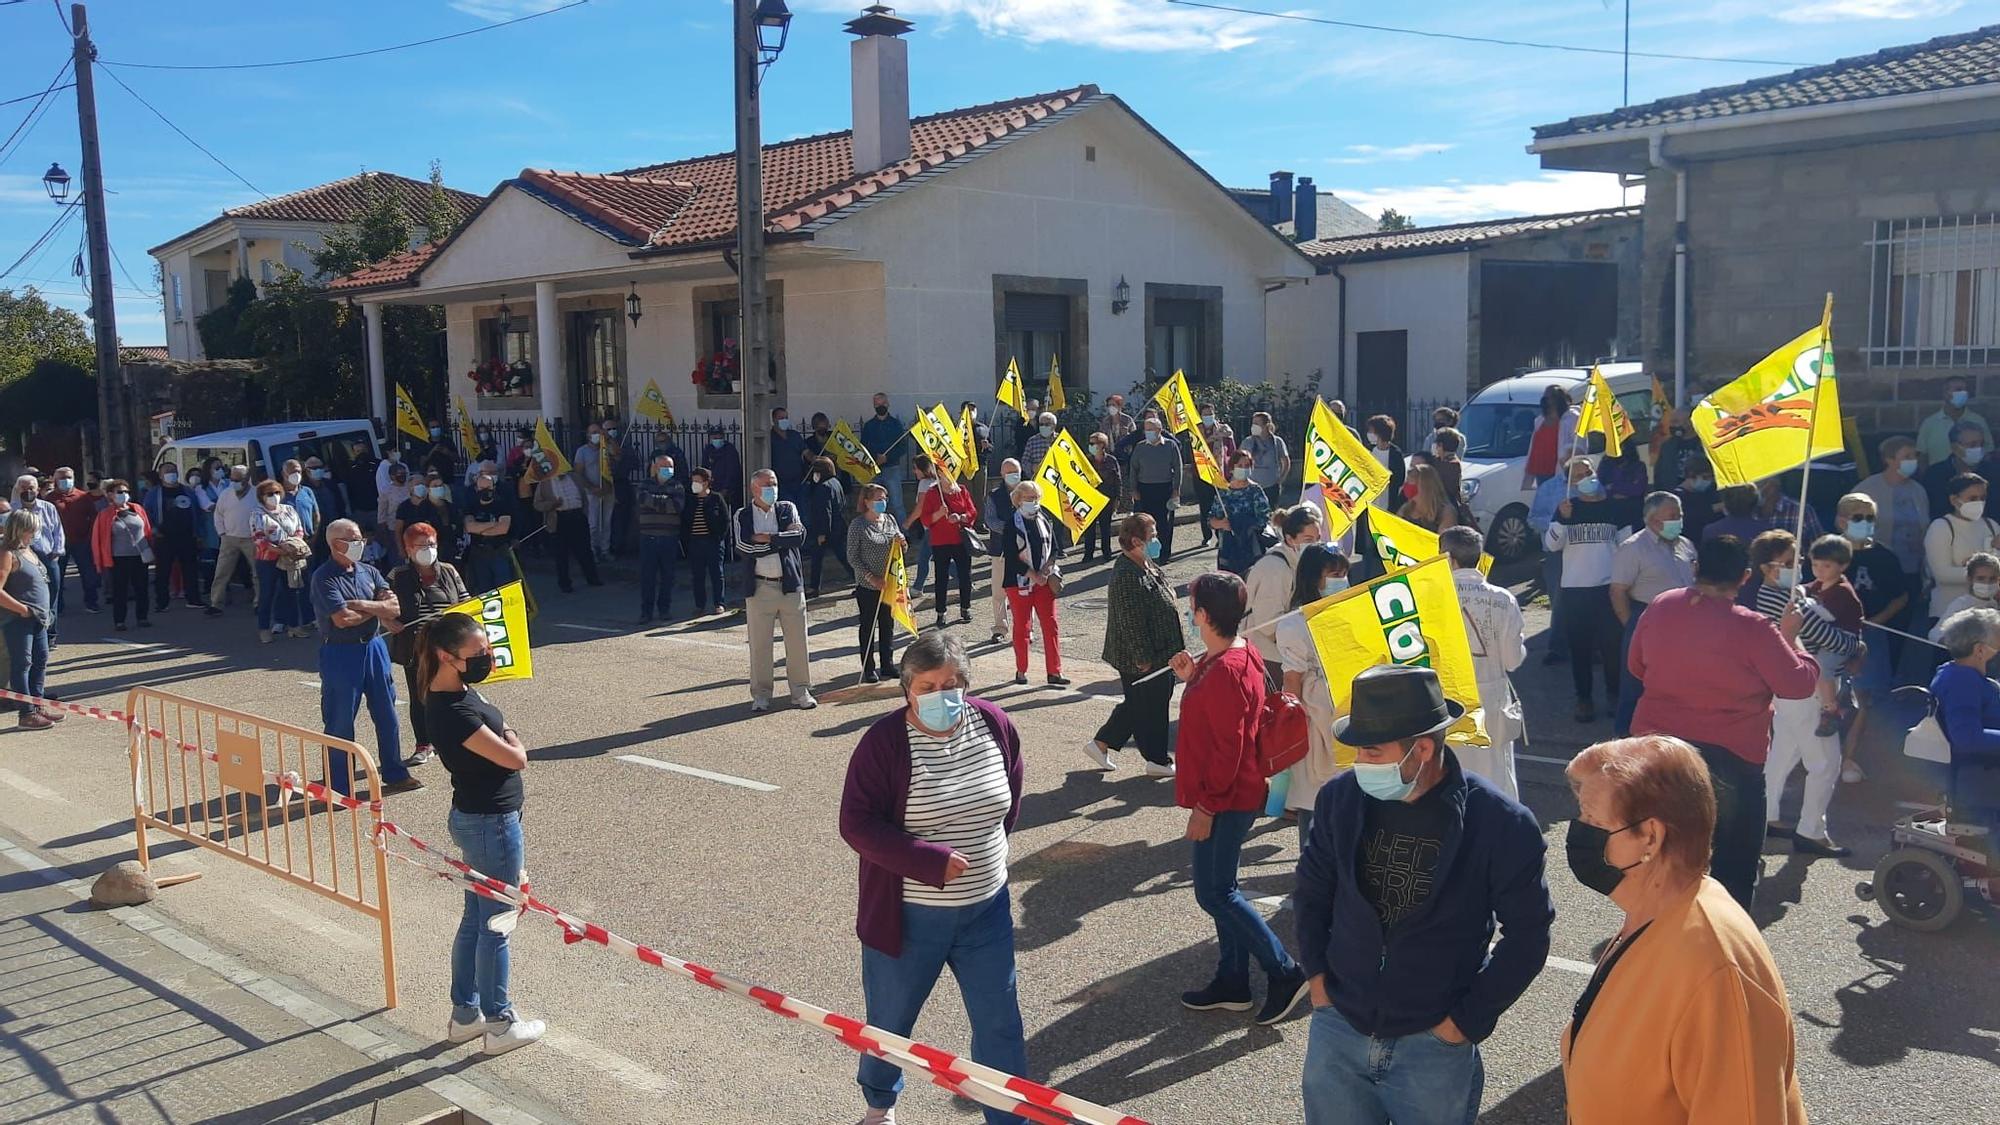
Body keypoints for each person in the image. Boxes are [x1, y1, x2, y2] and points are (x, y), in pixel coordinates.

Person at [1297, 664, 1553, 1124]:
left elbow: (1529, 935)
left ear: (1423, 749)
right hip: (1339, 1028)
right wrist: (1318, 982)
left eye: (1373, 753)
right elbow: (1313, 892)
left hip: (1433, 1049)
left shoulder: (1501, 824)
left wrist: (1462, 1025)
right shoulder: (1340, 799)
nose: (1361, 765)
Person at [1559, 735, 1807, 1125]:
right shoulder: (1654, 913)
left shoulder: (1715, 969)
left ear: (1651, 838)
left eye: (1592, 820)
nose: (1578, 832)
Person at [838, 632, 1028, 1125]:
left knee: (1000, 1026)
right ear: (907, 688)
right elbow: (856, 823)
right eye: (928, 685)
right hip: (908, 919)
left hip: (987, 911)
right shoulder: (883, 743)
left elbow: (1010, 794)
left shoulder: (993, 724)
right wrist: (928, 860)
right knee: (890, 1022)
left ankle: (1008, 1120)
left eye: (952, 683)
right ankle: (880, 1104)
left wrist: (987, 855)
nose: (942, 694)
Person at [1628, 535, 1817, 908]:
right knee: (1733, 864)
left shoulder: (1662, 605)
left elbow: (1637, 665)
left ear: (1696, 568)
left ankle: (1653, 934)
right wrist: (1792, 638)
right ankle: (1720, 945)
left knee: (1660, 853)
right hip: (1730, 757)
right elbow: (1797, 684)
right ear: (1745, 577)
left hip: (1658, 748)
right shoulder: (1755, 628)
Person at [1169, 571, 1311, 1025]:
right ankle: (1233, 979)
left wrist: (1206, 806)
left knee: (1215, 893)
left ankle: (1285, 971)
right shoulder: (1237, 652)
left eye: (1193, 606)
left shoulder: (1227, 669)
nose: (1191, 613)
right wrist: (1192, 676)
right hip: (1232, 793)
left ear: (1204, 615)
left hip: (1227, 797)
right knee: (1220, 889)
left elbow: (1229, 748)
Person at [414, 611, 546, 1055]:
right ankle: (500, 1021)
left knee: (476, 918)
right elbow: (515, 758)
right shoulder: (453, 711)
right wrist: (511, 734)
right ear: (446, 657)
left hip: (479, 818)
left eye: (486, 649)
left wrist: (504, 730)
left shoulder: (457, 693)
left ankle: (465, 1015)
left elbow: (502, 739)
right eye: (477, 653)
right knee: (497, 924)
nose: (486, 657)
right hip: (491, 823)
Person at [313, 519, 419, 798]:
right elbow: (343, 619)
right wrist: (378, 609)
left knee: (387, 713)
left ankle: (395, 773)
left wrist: (363, 605)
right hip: (340, 652)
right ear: (336, 544)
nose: (361, 543)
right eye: (354, 539)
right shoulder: (324, 577)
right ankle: (339, 787)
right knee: (340, 720)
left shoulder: (369, 572)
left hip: (374, 647)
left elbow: (394, 606)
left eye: (360, 538)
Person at [1087, 513, 1183, 776]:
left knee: (1140, 702)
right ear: (1135, 541)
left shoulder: (1145, 563)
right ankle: (1156, 760)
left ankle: (1101, 743)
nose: (1157, 540)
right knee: (1150, 707)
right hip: (1141, 656)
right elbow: (1131, 621)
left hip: (1162, 650)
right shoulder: (1126, 575)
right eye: (1152, 536)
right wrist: (1143, 657)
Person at [1548, 457, 1638, 722]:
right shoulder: (1566, 508)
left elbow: (1627, 546)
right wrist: (1562, 520)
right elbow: (1552, 545)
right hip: (1575, 590)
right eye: (1579, 476)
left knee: (1612, 647)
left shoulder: (1615, 508)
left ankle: (1613, 694)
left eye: (1588, 471)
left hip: (1608, 589)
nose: (1586, 478)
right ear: (1571, 484)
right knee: (1580, 648)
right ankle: (1584, 698)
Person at [1443, 526, 1527, 800]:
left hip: (1448, 700)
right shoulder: (1503, 599)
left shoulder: (1433, 598)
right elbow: (1513, 661)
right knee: (1496, 774)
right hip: (1491, 699)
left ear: (1447, 558)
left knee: (1452, 773)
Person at [1272, 545, 1350, 839]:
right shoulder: (1294, 623)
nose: (1341, 579)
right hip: (1312, 717)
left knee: (1347, 798)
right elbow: (1292, 681)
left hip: (1348, 710)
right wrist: (1288, 726)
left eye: (1344, 573)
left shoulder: (1349, 611)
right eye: (1333, 574)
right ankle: (1314, 873)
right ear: (1312, 577)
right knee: (1313, 802)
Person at [1834, 493, 1909, 783]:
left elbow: (1900, 597)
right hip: (1832, 636)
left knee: (1864, 698)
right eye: (1857, 517)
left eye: (1869, 517)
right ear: (1841, 519)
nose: (1864, 522)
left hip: (1872, 637)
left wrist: (1876, 622)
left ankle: (1850, 756)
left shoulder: (1884, 556)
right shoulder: (1829, 552)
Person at [1609, 492, 1695, 736]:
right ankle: (1623, 739)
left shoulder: (1686, 545)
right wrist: (1632, 626)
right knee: (1635, 684)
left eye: (1680, 515)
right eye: (1673, 516)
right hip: (1646, 617)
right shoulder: (1633, 548)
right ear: (1653, 519)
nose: (1679, 520)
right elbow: (1617, 591)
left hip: (1683, 621)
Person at [1929, 607, 2000, 900]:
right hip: (1980, 778)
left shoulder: (1960, 673)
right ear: (1981, 649)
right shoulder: (1961, 680)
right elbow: (1966, 737)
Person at [388, 522, 469, 769]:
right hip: (415, 648)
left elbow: (466, 601)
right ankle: (424, 744)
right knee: (420, 696)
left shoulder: (449, 571)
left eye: (431, 544)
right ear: (408, 549)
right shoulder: (397, 576)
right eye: (421, 545)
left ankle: (457, 739)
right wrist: (389, 622)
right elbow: (384, 605)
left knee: (455, 692)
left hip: (449, 646)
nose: (428, 549)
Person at [736, 468, 816, 712]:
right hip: (760, 586)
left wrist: (768, 538)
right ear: (753, 489)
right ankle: (761, 694)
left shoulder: (786, 508)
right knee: (760, 645)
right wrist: (780, 541)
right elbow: (743, 547)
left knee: (798, 643)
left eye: (775, 483)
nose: (772, 489)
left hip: (790, 585)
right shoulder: (743, 514)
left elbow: (798, 536)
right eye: (767, 485)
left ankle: (800, 691)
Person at [1000, 480, 1066, 687]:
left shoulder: (1044, 519)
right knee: (1023, 626)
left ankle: (1054, 672)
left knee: (1051, 625)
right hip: (1018, 582)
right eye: (1029, 498)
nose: (1034, 502)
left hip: (1044, 581)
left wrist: (1045, 572)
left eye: (1036, 498)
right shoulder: (1012, 524)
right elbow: (1010, 557)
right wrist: (1031, 574)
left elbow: (1054, 549)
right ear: (1019, 499)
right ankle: (1021, 670)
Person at [1921, 472, 2000, 637]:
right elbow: (1942, 575)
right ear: (1954, 500)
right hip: (1948, 616)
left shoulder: (1991, 525)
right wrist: (1981, 570)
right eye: (1972, 498)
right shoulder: (1941, 527)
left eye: (1982, 497)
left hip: (1988, 617)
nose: (1978, 502)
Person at [1244, 504, 1323, 670]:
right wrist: (1296, 646)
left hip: (1284, 653)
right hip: (1268, 656)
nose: (1315, 545)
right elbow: (1268, 622)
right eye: (1308, 540)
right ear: (1290, 539)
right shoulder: (1275, 568)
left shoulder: (1298, 561)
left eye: (1318, 539)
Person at [1, 509, 58, 730]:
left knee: (40, 660)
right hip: (18, 619)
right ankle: (26, 714)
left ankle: (38, 705)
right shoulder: (7, 553)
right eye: (33, 527)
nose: (36, 531)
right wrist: (22, 609)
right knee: (22, 663)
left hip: (38, 618)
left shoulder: (29, 550)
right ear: (22, 529)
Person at [847, 483, 905, 684]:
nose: (883, 503)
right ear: (867, 502)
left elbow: (900, 546)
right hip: (868, 585)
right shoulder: (858, 525)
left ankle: (887, 664)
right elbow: (853, 557)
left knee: (887, 625)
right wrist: (871, 578)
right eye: (878, 499)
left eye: (884, 498)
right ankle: (868, 667)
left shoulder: (889, 520)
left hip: (889, 583)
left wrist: (902, 542)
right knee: (868, 625)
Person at [1856, 435, 1928, 585]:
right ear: (1889, 459)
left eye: (1915, 455)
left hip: (1913, 568)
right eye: (1907, 456)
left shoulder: (1918, 490)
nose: (1913, 460)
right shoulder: (1867, 488)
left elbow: (1925, 525)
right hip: (1879, 567)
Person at [917, 457, 979, 628]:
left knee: (965, 575)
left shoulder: (962, 490)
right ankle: (941, 612)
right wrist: (938, 514)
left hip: (960, 540)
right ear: (938, 474)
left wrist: (961, 517)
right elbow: (925, 519)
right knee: (941, 578)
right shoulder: (932, 493)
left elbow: (972, 511)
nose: (948, 476)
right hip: (940, 541)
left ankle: (965, 607)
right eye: (944, 473)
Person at [531, 454, 601, 594]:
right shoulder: (545, 483)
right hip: (559, 519)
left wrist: (584, 513)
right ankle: (565, 583)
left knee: (584, 550)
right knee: (561, 554)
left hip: (577, 517)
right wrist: (552, 504)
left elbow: (584, 496)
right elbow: (537, 504)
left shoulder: (575, 478)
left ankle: (592, 577)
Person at [141, 463, 204, 612]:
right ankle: (162, 603)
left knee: (190, 569)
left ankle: (193, 599)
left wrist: (198, 533)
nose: (171, 473)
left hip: (187, 536)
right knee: (163, 571)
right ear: (161, 475)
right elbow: (146, 514)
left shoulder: (187, 491)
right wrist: (154, 531)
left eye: (174, 471)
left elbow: (196, 512)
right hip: (164, 537)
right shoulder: (154, 493)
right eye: (167, 471)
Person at [92, 480, 154, 632]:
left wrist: (151, 549)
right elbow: (98, 539)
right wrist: (100, 562)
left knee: (142, 588)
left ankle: (142, 617)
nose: (124, 495)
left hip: (139, 556)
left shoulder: (138, 509)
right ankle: (119, 621)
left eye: (126, 492)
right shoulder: (105, 515)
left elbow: (147, 530)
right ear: (110, 495)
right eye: (120, 492)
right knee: (120, 591)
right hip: (118, 558)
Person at [633, 453, 687, 623]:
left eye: (670, 467)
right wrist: (664, 500)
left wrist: (654, 500)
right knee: (647, 577)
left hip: (669, 537)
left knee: (668, 576)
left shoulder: (677, 485)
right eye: (664, 467)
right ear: (655, 468)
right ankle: (646, 612)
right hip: (648, 537)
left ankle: (664, 609)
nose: (668, 470)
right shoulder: (644, 484)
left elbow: (676, 506)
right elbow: (642, 499)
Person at [1528, 462, 1571, 666]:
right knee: (1560, 601)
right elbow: (1534, 519)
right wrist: (1558, 522)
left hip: (1586, 553)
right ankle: (1558, 648)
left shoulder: (1596, 488)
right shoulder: (1549, 488)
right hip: (1556, 553)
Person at [12, 477, 63, 645]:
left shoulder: (48, 507)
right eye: (24, 488)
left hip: (48, 557)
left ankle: (50, 633)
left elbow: (57, 530)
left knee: (52, 593)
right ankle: (32, 629)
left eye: (32, 488)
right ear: (18, 490)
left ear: (38, 489)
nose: (28, 491)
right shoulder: (13, 510)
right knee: (31, 593)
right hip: (22, 557)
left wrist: (57, 551)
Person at [1128, 415, 1184, 561]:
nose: (1148, 432)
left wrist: (1176, 489)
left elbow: (1178, 468)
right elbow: (1133, 469)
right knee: (1144, 524)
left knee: (1164, 524)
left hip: (1164, 489)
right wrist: (1133, 489)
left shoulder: (1171, 446)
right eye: (1146, 430)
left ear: (1159, 430)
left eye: (1151, 429)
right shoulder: (1140, 447)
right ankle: (1146, 554)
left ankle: (1164, 554)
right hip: (1144, 489)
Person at [1209, 450, 1272, 576]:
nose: (1243, 469)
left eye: (1247, 466)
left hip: (1251, 547)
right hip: (1228, 548)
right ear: (1232, 468)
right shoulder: (1223, 492)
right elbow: (1211, 520)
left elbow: (1264, 517)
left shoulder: (1255, 490)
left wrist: (1244, 525)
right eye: (1240, 466)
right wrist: (1221, 523)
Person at [1920, 420, 2000, 518]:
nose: (1978, 449)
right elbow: (1935, 511)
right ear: (1955, 448)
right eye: (1972, 445)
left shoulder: (1994, 472)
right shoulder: (1935, 475)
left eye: (1981, 444)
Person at [981, 459, 1022, 644]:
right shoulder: (994, 495)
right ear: (1002, 474)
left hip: (1024, 551)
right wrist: (1010, 529)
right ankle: (1000, 628)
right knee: (999, 592)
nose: (1013, 475)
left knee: (1025, 591)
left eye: (1016, 471)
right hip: (1000, 551)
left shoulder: (1028, 492)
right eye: (1009, 472)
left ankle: (1025, 628)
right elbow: (990, 520)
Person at [51, 468, 102, 614]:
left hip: (81, 541)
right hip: (58, 543)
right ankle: (58, 605)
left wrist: (89, 535)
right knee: (57, 575)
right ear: (55, 480)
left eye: (68, 477)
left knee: (88, 574)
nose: (65, 480)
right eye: (62, 478)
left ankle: (91, 602)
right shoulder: (50, 498)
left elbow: (93, 517)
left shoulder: (83, 497)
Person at [680, 466, 730, 616]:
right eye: (693, 481)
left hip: (712, 542)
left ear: (706, 482)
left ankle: (719, 603)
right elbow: (685, 520)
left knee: (717, 574)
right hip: (695, 542)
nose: (694, 484)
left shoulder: (716, 498)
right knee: (697, 575)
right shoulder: (690, 499)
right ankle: (699, 605)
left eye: (698, 481)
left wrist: (719, 537)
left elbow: (725, 520)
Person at [461, 464, 515, 596]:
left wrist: (480, 529)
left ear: (494, 488)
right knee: (484, 591)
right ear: (476, 488)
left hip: (499, 551)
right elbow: (469, 527)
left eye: (488, 488)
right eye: (482, 488)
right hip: (479, 554)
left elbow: (503, 528)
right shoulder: (471, 505)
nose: (485, 490)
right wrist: (493, 524)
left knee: (505, 589)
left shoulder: (502, 504)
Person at [1915, 374, 1990, 469]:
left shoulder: (1979, 421)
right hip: (1938, 478)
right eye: (1959, 390)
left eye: (1965, 390)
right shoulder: (1930, 423)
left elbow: (1988, 453)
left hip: (1973, 479)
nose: (1964, 393)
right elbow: (1922, 456)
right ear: (1945, 393)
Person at [570, 420, 617, 563]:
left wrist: (608, 439)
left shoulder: (606, 448)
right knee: (594, 524)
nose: (597, 435)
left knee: (607, 522)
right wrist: (591, 487)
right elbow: (578, 473)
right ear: (588, 435)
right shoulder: (582, 451)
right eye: (594, 432)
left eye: (599, 432)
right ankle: (592, 551)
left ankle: (605, 550)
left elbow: (617, 454)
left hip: (608, 490)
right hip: (591, 493)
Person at [802, 456, 847, 597]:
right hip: (838, 526)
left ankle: (814, 588)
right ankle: (814, 587)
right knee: (829, 557)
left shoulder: (822, 488)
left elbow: (824, 512)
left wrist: (822, 533)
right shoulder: (835, 482)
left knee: (832, 557)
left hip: (827, 530)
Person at [396, 473, 461, 570]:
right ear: (428, 488)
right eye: (435, 486)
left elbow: (459, 527)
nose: (438, 488)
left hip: (452, 550)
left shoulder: (451, 507)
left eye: (440, 486)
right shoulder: (421, 509)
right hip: (430, 551)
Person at [862, 393, 907, 521]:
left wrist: (888, 458)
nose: (880, 406)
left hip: (892, 468)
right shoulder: (869, 426)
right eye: (877, 404)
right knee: (873, 503)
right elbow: (864, 447)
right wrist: (875, 458)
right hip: (873, 469)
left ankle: (903, 534)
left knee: (897, 504)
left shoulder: (895, 424)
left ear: (888, 404)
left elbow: (902, 447)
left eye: (883, 404)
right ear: (874, 406)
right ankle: (873, 530)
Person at [1080, 432, 1123, 564]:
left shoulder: (1111, 460)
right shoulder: (1086, 460)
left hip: (1107, 498)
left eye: (1093, 443)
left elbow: (1118, 480)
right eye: (1090, 443)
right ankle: (1088, 553)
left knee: (1105, 527)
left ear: (1102, 445)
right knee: (1089, 528)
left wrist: (1117, 498)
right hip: (1090, 499)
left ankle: (1106, 552)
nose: (1091, 446)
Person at [1396, 462, 1460, 533]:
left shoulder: (1446, 512)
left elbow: (1444, 541)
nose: (1405, 486)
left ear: (1424, 486)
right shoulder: (1406, 508)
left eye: (1409, 482)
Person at [1242, 410, 1291, 499]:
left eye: (1257, 423)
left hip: (1270, 486)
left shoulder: (1277, 442)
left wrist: (1280, 480)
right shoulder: (1248, 442)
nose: (1253, 426)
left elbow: (1286, 462)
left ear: (1266, 425)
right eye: (1253, 423)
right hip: (1251, 486)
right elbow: (1238, 460)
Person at [1675, 456, 1722, 544]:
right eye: (1705, 477)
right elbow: (1692, 516)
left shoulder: (1708, 494)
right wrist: (1716, 508)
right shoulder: (1678, 497)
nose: (1709, 481)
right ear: (1691, 475)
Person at [768, 406, 808, 507]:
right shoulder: (769, 438)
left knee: (804, 514)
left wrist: (816, 458)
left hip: (799, 483)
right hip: (781, 484)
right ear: (773, 420)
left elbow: (806, 452)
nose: (784, 421)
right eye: (781, 418)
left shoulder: (794, 436)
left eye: (786, 418)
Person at [1363, 415, 1405, 508]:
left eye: (1371, 430)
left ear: (1380, 432)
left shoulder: (1396, 454)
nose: (1369, 433)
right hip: (1370, 498)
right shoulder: (1368, 450)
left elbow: (1399, 479)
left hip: (1388, 499)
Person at [701, 424, 744, 510]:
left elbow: (733, 471)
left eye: (719, 436)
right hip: (713, 487)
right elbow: (704, 469)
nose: (717, 438)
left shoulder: (730, 450)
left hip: (729, 489)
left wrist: (726, 488)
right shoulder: (708, 450)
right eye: (714, 437)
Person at [1019, 412, 1058, 480]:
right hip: (1037, 479)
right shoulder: (1032, 441)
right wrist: (1032, 468)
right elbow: (1024, 462)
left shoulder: (1059, 440)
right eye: (1041, 424)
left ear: (1054, 426)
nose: (1044, 426)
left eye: (1047, 424)